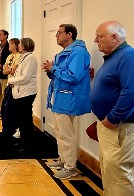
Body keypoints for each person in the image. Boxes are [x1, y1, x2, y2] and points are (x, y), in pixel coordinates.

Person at [90, 21, 134, 196]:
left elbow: (130, 92)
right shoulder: (115, 57)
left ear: (114, 37)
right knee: (110, 172)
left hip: (119, 126)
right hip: (110, 126)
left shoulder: (127, 56)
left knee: (118, 177)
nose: (95, 40)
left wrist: (112, 119)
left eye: (99, 36)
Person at [42, 24, 91, 179]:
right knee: (59, 131)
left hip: (68, 98)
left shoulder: (78, 52)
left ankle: (70, 167)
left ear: (69, 34)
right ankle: (63, 160)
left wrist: (54, 69)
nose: (56, 35)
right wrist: (51, 70)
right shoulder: (63, 52)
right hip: (59, 97)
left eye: (59, 33)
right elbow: (59, 75)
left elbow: (74, 76)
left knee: (66, 134)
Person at [6, 38, 37, 151]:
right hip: (21, 92)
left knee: (25, 119)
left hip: (27, 93)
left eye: (20, 44)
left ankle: (27, 144)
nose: (18, 46)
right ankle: (24, 142)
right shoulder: (25, 58)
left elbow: (25, 77)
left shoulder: (31, 58)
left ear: (25, 46)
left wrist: (11, 81)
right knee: (22, 118)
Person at [2, 38, 21, 137]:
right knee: (5, 108)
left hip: (16, 85)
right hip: (8, 84)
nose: (9, 45)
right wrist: (10, 69)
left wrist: (10, 70)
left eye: (11, 44)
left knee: (12, 109)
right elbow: (4, 71)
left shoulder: (20, 57)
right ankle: (7, 129)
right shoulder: (9, 56)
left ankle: (15, 128)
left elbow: (16, 71)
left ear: (17, 45)